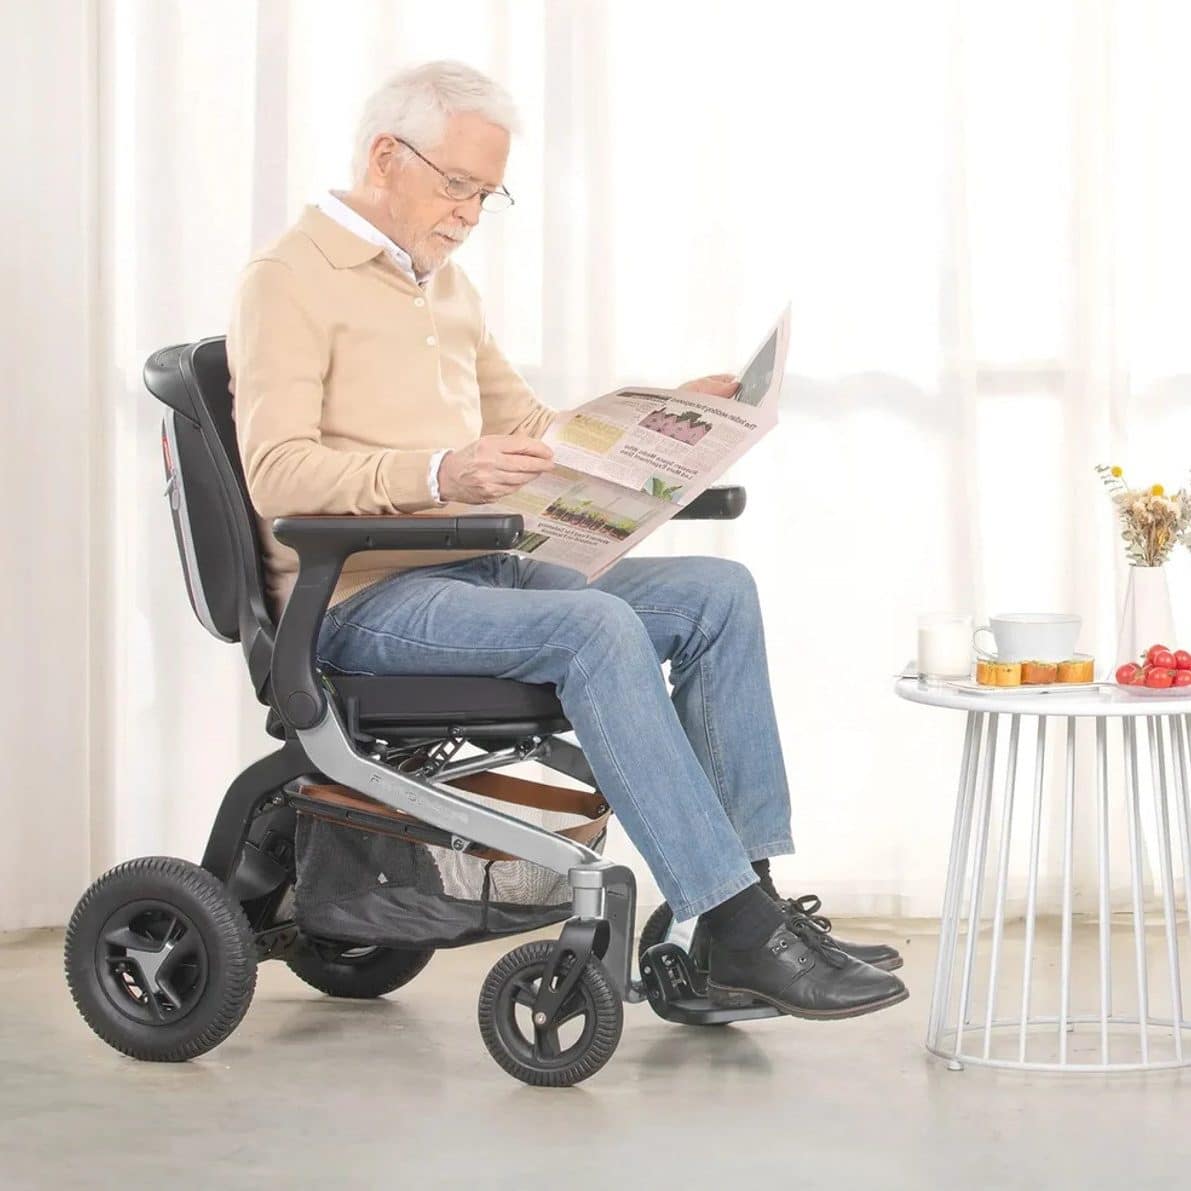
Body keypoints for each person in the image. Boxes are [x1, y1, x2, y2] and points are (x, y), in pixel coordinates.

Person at [227, 60, 907, 1020]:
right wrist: (436, 473)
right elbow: (279, 472)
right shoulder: (288, 281)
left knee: (718, 595)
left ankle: (725, 921)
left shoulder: (444, 287)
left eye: (484, 193)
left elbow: (536, 432)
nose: (468, 212)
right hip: (357, 602)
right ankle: (745, 925)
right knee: (593, 627)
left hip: (475, 576)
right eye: (455, 184)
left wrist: (668, 420)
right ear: (386, 156)